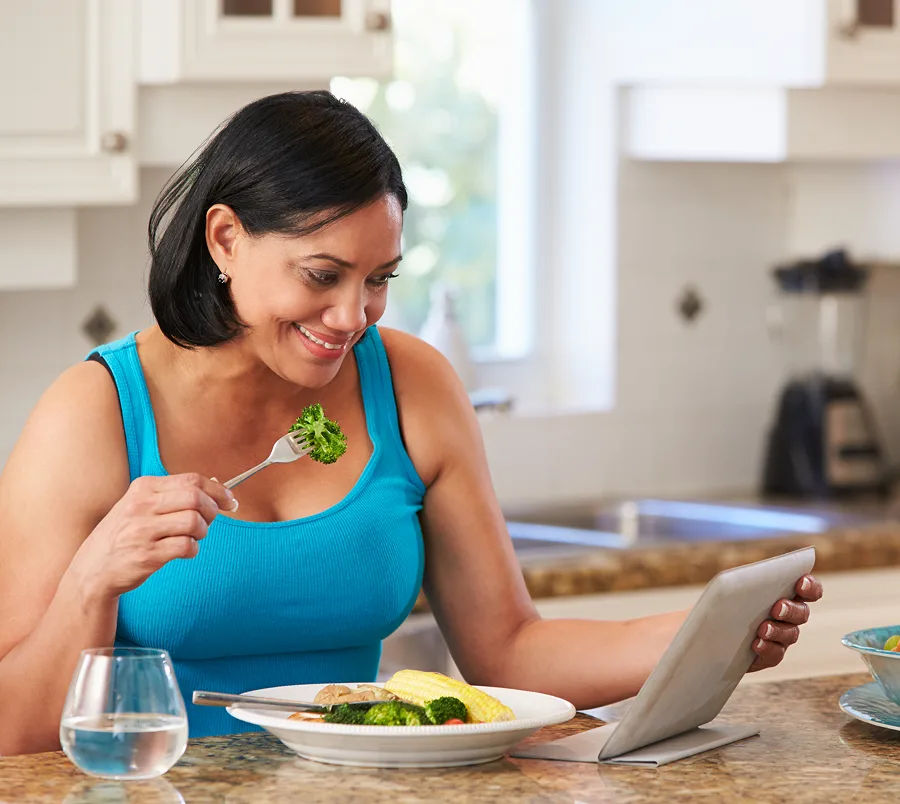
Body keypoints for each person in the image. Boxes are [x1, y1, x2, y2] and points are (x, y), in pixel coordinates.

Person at [0, 91, 822, 755]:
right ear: (225, 239)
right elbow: (12, 729)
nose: (352, 315)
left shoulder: (413, 385)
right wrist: (93, 577)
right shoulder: (97, 413)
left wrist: (709, 632)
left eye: (380, 278)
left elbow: (507, 651)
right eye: (322, 275)